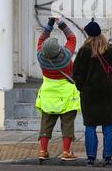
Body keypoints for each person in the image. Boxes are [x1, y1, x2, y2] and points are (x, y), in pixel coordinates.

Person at [73, 19, 112, 166]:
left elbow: (77, 74)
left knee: (90, 127)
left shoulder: (84, 51)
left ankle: (91, 158)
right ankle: (107, 158)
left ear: (88, 35)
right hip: (107, 93)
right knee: (108, 127)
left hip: (89, 95)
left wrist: (82, 88)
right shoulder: (110, 49)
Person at [35, 16, 81, 161]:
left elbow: (42, 39)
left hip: (48, 94)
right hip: (66, 94)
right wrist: (60, 23)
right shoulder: (66, 56)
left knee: (46, 122)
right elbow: (72, 38)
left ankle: (43, 151)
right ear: (58, 50)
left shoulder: (41, 57)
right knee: (67, 123)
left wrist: (49, 24)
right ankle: (66, 152)